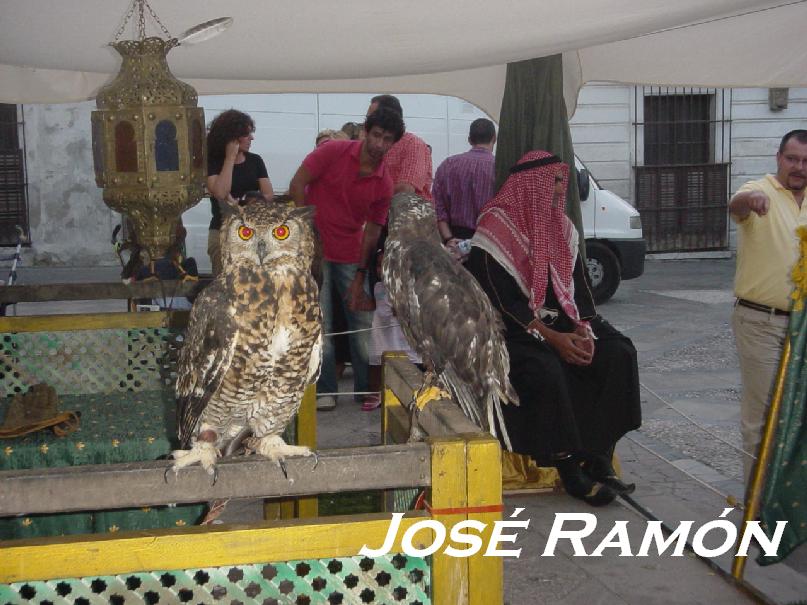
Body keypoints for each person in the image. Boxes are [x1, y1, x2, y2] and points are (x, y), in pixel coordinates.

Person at [466, 150, 641, 506]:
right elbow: (503, 303)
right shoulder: (494, 231)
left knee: (618, 352)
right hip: (512, 328)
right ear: (532, 185)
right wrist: (553, 339)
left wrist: (583, 330)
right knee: (545, 369)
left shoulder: (562, 229)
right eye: (556, 181)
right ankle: (567, 464)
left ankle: (598, 453)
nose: (563, 188)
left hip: (560, 320)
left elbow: (578, 291)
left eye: (563, 181)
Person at [289, 107, 405, 411]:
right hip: (313, 251)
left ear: (393, 144)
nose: (380, 144)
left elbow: (373, 233)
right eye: (377, 135)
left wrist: (360, 276)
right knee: (320, 323)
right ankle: (325, 389)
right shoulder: (333, 151)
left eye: (388, 139)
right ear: (366, 131)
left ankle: (366, 387)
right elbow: (297, 183)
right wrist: (306, 233)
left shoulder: (384, 183)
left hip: (350, 254)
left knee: (362, 322)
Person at [729, 129, 807, 485]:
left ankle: (791, 506)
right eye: (792, 159)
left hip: (803, 325)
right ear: (779, 158)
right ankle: (757, 507)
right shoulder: (756, 189)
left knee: (798, 418)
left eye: (806, 162)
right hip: (761, 321)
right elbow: (737, 206)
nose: (799, 167)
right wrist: (752, 200)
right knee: (761, 417)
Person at [206, 109, 274, 276]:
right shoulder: (213, 161)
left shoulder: (255, 160)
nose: (252, 138)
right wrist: (230, 158)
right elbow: (220, 193)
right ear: (232, 137)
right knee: (226, 285)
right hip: (224, 231)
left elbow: (269, 194)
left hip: (254, 231)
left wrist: (248, 203)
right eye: (247, 134)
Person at [434, 117, 497, 261]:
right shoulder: (499, 169)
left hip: (454, 243)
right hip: (488, 245)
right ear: (494, 138)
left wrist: (449, 239)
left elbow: (438, 210)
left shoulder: (447, 165)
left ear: (469, 139)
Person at [366, 95, 433, 199]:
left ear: (388, 116)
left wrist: (369, 197)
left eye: (370, 117)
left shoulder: (413, 144)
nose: (366, 122)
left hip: (404, 213)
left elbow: (406, 189)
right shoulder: (370, 144)